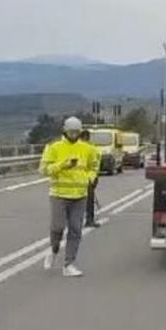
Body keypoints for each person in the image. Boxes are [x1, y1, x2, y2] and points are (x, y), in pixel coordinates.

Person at [39, 116, 93, 277]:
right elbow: (43, 170)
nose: (74, 134)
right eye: (71, 131)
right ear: (65, 131)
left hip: (80, 195)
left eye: (77, 132)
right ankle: (54, 248)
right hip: (59, 194)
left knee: (76, 229)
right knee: (57, 227)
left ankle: (69, 264)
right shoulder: (54, 147)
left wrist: (90, 177)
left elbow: (94, 166)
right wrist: (63, 165)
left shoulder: (87, 149)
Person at [79, 129, 103, 228]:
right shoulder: (92, 149)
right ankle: (89, 220)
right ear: (88, 138)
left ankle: (77, 220)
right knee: (89, 201)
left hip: (76, 179)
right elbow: (96, 164)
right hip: (88, 179)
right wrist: (93, 178)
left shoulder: (74, 148)